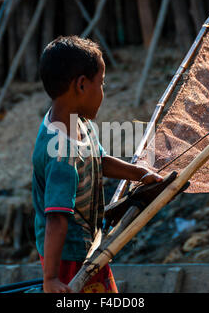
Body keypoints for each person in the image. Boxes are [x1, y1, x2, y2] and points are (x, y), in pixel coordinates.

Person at [32, 36, 163, 293]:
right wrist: (50, 279)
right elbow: (56, 219)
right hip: (66, 256)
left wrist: (138, 174)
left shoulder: (78, 122)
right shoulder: (61, 154)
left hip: (88, 245)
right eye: (101, 83)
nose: (103, 92)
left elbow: (99, 160)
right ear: (81, 85)